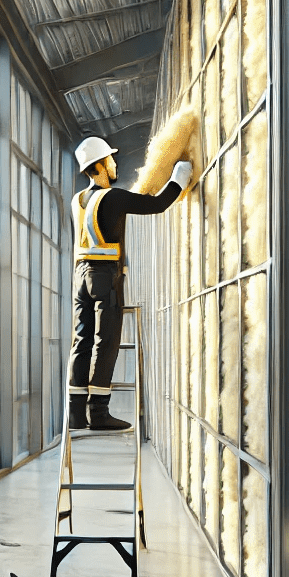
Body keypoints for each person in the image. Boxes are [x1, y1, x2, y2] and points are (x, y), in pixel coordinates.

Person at [68, 136, 191, 431]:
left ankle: (76, 414)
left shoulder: (79, 200)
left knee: (81, 342)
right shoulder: (113, 197)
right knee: (106, 342)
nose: (114, 163)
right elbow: (158, 204)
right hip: (104, 277)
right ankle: (98, 413)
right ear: (99, 165)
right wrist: (180, 176)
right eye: (110, 159)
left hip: (80, 277)